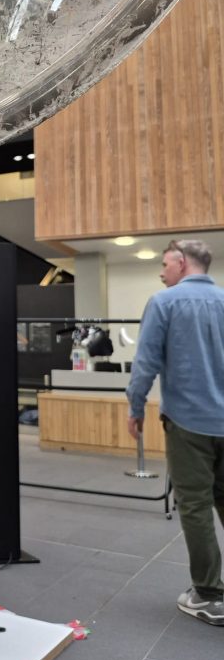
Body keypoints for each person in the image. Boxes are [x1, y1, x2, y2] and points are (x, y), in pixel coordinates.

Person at [126, 239, 224, 626]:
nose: (161, 271)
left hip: (189, 424)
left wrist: (135, 407)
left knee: (195, 505)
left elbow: (146, 361)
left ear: (181, 263)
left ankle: (209, 594)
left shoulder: (164, 302)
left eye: (165, 264)